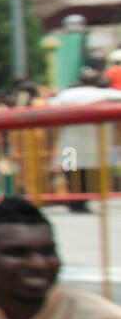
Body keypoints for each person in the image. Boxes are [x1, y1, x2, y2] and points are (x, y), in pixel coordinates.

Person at [50, 68, 121, 212]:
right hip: (96, 143)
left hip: (70, 143)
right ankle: (82, 200)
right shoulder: (106, 94)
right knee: (90, 174)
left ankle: (74, 201)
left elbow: (50, 104)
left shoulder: (67, 95)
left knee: (71, 172)